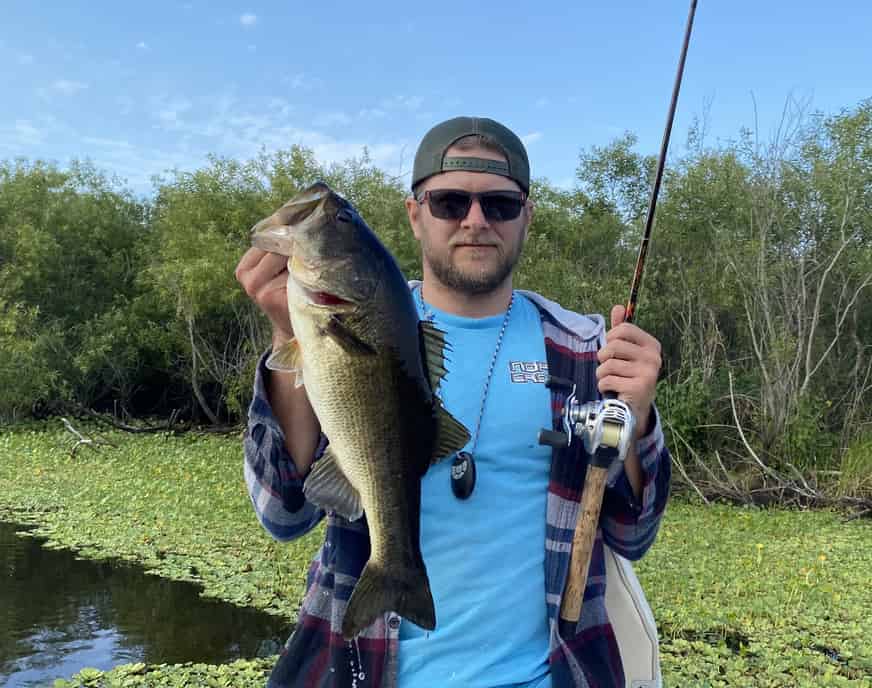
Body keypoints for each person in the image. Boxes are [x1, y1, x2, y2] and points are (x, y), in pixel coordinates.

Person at [235, 116, 671, 688]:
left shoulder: (587, 349)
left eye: (500, 205)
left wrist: (636, 423)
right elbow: (283, 515)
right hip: (362, 672)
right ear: (415, 215)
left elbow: (633, 536)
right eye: (448, 202)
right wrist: (286, 337)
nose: (475, 221)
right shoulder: (338, 331)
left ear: (526, 218)